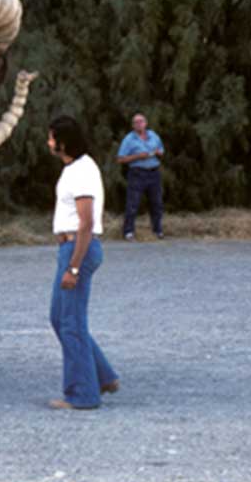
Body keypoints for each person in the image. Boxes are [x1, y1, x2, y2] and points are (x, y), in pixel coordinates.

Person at [46, 114, 120, 411]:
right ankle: (102, 376)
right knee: (60, 317)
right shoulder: (74, 168)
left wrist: (74, 268)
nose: (48, 143)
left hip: (78, 248)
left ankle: (82, 394)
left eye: (51, 137)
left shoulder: (81, 172)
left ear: (63, 142)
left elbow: (86, 222)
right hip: (70, 247)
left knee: (71, 322)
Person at [116, 112, 166, 240]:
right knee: (133, 203)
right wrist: (138, 156)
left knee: (157, 203)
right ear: (133, 125)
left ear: (146, 123)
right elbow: (120, 159)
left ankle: (157, 230)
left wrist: (158, 153)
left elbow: (161, 150)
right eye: (136, 122)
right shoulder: (129, 139)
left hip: (153, 172)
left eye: (141, 121)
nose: (139, 124)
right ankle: (128, 231)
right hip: (137, 172)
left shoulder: (153, 135)